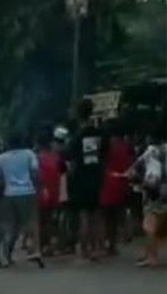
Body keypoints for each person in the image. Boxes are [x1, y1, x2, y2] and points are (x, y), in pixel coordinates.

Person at [0, 133, 44, 268]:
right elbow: (35, 173)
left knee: (9, 226)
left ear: (7, 143)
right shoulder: (29, 154)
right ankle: (36, 250)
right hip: (27, 192)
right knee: (32, 223)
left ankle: (5, 256)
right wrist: (39, 188)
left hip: (8, 194)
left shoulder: (0, 159)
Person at [68, 99, 106, 262]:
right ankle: (97, 248)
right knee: (97, 215)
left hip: (81, 179)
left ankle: (84, 251)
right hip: (96, 176)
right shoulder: (100, 133)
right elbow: (105, 154)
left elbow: (72, 163)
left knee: (84, 216)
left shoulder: (76, 137)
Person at [128, 129, 167, 267]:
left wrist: (137, 180)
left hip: (156, 192)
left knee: (150, 225)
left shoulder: (152, 151)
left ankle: (152, 257)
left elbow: (134, 170)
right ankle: (149, 254)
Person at [98, 120, 133, 256]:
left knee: (105, 216)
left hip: (107, 183)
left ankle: (106, 244)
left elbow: (101, 164)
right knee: (116, 215)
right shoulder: (126, 147)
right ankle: (114, 243)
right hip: (122, 183)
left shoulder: (106, 146)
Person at [36, 132, 65, 256]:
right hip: (56, 193)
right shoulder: (56, 158)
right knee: (53, 221)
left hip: (42, 193)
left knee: (42, 221)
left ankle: (44, 246)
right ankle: (54, 245)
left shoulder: (37, 158)